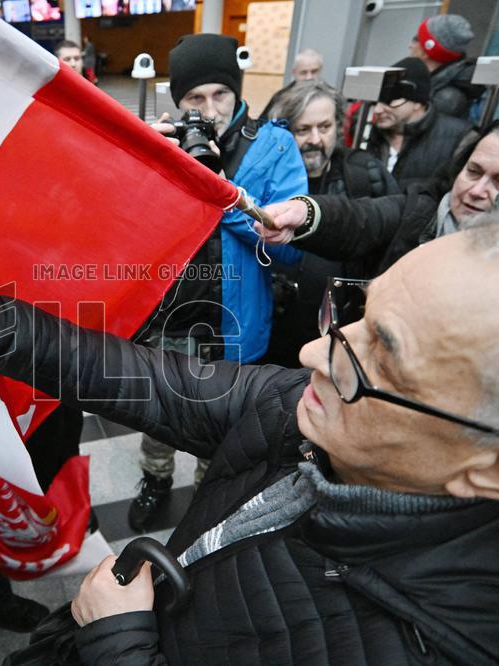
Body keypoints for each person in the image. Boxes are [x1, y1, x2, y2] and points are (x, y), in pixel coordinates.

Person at [0, 180, 499, 665]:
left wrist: (119, 643)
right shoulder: (319, 410)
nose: (310, 355)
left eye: (380, 359)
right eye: (355, 315)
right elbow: (161, 385)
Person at [130, 33, 306, 532]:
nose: (211, 108)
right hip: (168, 318)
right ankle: (156, 480)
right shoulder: (162, 145)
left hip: (234, 325)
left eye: (220, 94)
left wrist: (220, 192)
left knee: (223, 427)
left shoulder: (273, 144)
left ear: (237, 90)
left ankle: (211, 497)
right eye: (195, 99)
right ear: (178, 101)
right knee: (157, 412)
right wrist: (146, 160)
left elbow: (288, 248)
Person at [258, 115, 499, 279]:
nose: (476, 190)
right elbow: (361, 219)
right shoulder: (419, 211)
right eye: (473, 171)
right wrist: (305, 213)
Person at [262, 81, 398, 367]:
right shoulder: (265, 179)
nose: (315, 139)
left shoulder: (365, 175)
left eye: (324, 127)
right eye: (302, 130)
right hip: (272, 331)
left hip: (339, 334)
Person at [367, 57, 472, 191]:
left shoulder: (459, 138)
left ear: (417, 103)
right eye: (376, 102)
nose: (377, 110)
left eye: (389, 101)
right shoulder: (369, 130)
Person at [409, 14, 483, 119]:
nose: (410, 45)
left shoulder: (446, 100)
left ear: (427, 51)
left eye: (416, 39)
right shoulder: (433, 80)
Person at [261, 48, 324, 118]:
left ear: (320, 71)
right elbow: (263, 123)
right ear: (294, 73)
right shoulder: (280, 97)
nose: (309, 77)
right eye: (303, 72)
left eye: (314, 71)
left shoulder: (332, 96)